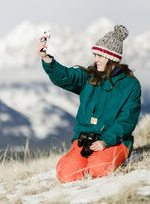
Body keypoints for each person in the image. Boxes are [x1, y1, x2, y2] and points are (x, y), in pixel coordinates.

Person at [36, 25, 141, 183]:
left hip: (115, 141)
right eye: (95, 55)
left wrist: (105, 141)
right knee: (67, 176)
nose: (95, 59)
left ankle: (108, 158)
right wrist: (45, 58)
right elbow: (65, 76)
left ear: (111, 58)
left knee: (100, 170)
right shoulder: (88, 77)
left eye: (100, 56)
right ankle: (72, 160)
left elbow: (127, 120)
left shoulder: (130, 85)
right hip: (84, 140)